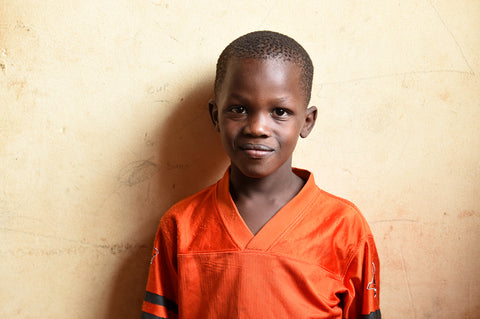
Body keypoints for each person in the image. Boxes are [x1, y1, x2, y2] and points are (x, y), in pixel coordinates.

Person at [141, 30, 381, 319]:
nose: (257, 127)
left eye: (279, 111)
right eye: (239, 109)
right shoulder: (180, 226)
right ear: (216, 116)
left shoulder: (344, 227)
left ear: (307, 121)